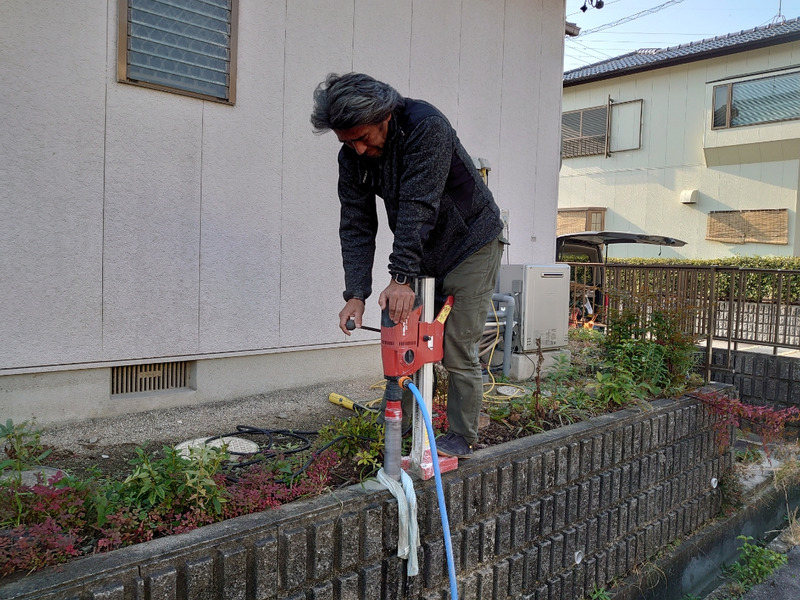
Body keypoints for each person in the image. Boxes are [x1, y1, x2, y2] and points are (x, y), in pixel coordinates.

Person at [310, 72, 504, 458]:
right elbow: (356, 222)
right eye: (348, 142)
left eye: (363, 138)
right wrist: (356, 293)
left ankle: (461, 436)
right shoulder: (352, 156)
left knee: (455, 347)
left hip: (470, 243)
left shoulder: (425, 127)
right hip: (422, 250)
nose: (359, 150)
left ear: (384, 116)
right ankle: (401, 425)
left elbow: (419, 204)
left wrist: (400, 277)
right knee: (407, 339)